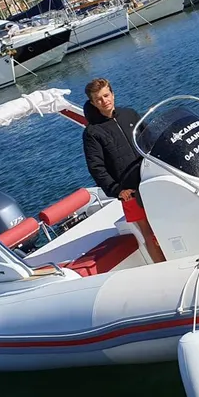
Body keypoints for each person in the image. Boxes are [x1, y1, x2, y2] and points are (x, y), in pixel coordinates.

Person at [81, 78, 165, 263]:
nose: (104, 101)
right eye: (98, 99)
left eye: (106, 95)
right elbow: (96, 168)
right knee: (148, 233)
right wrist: (117, 190)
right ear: (93, 103)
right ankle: (165, 268)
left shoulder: (130, 114)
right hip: (130, 191)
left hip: (151, 179)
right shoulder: (92, 133)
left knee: (167, 223)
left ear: (112, 94)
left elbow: (150, 141)